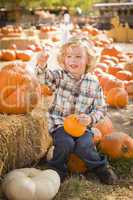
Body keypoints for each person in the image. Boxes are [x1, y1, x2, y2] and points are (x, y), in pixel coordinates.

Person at [36, 37, 118, 185]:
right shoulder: (59, 76)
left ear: (88, 60)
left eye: (78, 56)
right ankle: (57, 170)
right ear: (63, 60)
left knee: (85, 145)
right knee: (65, 143)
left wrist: (91, 119)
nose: (73, 60)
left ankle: (101, 168)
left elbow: (101, 108)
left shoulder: (93, 83)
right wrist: (41, 65)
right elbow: (43, 79)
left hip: (82, 126)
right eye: (69, 56)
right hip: (60, 123)